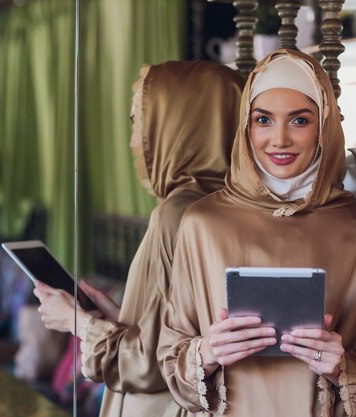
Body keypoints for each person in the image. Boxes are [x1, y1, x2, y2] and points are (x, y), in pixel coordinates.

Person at [157, 49, 356, 417]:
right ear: (246, 127)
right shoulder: (202, 223)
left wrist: (341, 366)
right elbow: (170, 359)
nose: (279, 139)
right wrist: (207, 352)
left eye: (300, 120)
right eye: (263, 120)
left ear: (325, 127)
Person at [33, 60, 245, 417]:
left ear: (181, 127)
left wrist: (78, 322)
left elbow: (152, 363)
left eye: (140, 124)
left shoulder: (180, 212)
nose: (134, 142)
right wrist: (123, 315)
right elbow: (181, 333)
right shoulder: (234, 207)